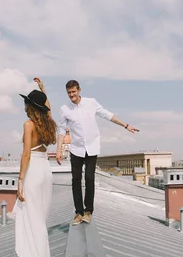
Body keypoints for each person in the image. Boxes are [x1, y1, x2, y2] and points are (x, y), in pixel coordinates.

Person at [56, 79, 139, 226]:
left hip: (92, 147)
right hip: (76, 149)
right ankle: (78, 212)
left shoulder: (91, 103)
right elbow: (61, 130)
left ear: (79, 90)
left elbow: (108, 115)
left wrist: (125, 125)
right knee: (75, 181)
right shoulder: (64, 109)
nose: (71, 95)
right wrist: (58, 151)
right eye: (69, 93)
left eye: (74, 92)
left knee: (89, 178)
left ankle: (88, 212)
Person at [15, 78, 57, 257]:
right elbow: (48, 107)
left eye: (26, 103)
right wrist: (43, 89)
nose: (24, 106)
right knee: (40, 216)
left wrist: (20, 180)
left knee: (35, 219)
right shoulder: (47, 122)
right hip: (45, 171)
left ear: (30, 106)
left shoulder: (28, 124)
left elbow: (26, 155)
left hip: (32, 171)